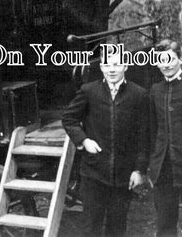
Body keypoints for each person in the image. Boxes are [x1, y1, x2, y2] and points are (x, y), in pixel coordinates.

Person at [62, 50, 149, 237]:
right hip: (94, 173)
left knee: (117, 228)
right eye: (107, 65)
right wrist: (84, 140)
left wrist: (138, 170)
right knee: (91, 227)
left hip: (123, 175)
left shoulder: (139, 94)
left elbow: (144, 136)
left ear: (125, 66)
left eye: (117, 64)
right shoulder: (89, 91)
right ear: (101, 67)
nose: (112, 70)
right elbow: (69, 118)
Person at [148, 39, 182, 237]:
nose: (166, 64)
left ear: (180, 59)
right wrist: (152, 164)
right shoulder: (155, 90)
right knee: (165, 223)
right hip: (163, 170)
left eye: (170, 59)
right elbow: (153, 131)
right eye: (161, 60)